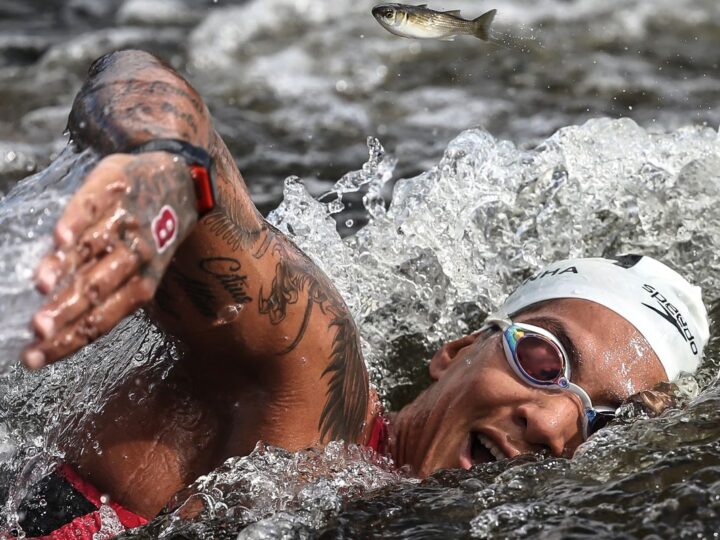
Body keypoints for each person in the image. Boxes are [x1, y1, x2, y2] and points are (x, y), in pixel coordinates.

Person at [13, 50, 710, 537]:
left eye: (603, 423)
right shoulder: (309, 388)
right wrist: (160, 160)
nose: (557, 426)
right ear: (456, 349)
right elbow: (145, 80)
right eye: (544, 358)